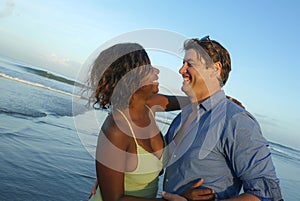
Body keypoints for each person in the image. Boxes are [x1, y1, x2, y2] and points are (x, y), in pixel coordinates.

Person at [87, 42, 215, 201]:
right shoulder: (116, 129)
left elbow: (192, 100)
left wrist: (218, 101)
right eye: (148, 68)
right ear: (131, 77)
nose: (156, 71)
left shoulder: (150, 105)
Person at [162, 36, 283, 200]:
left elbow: (267, 192)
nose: (181, 70)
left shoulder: (236, 120)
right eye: (183, 63)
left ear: (215, 69)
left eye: (189, 64)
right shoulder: (181, 117)